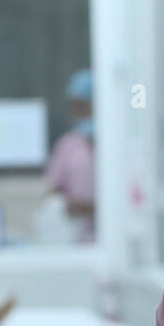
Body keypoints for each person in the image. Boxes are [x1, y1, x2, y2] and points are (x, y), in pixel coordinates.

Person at [45, 68, 95, 242]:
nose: (77, 112)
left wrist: (94, 208)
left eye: (82, 105)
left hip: (115, 239)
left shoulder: (117, 145)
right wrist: (68, 205)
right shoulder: (68, 145)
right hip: (77, 239)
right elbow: (53, 192)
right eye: (74, 106)